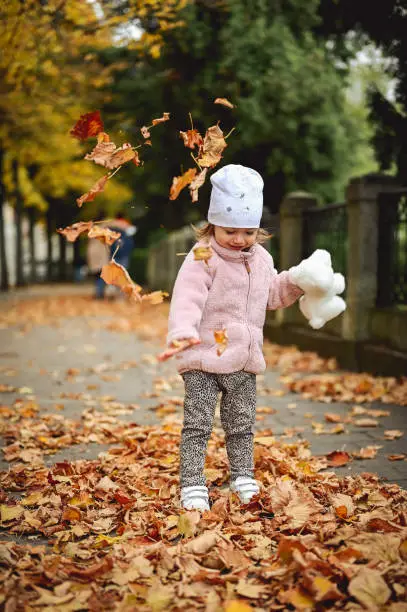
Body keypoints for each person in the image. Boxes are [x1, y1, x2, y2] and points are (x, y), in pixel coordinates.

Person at [158, 164, 304, 512]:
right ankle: (192, 483)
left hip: (243, 360)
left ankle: (243, 475)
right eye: (230, 231)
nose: (239, 239)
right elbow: (187, 296)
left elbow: (270, 296)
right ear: (212, 224)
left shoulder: (261, 259)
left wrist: (297, 282)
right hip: (203, 358)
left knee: (242, 425)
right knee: (197, 425)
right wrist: (182, 333)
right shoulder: (203, 255)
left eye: (248, 232)